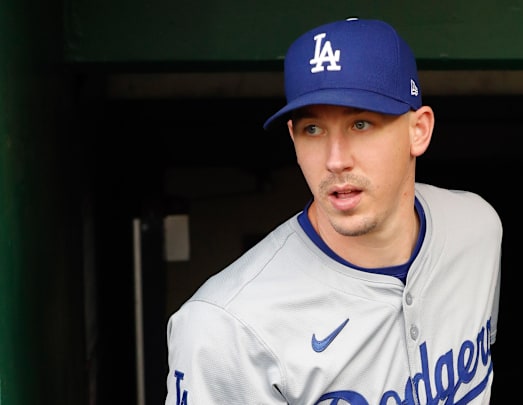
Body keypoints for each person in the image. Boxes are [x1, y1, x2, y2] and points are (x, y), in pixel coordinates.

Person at [165, 17, 502, 405]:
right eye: (313, 130)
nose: (335, 160)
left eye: (361, 123)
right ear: (293, 138)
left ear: (419, 130)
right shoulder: (223, 327)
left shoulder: (477, 229)